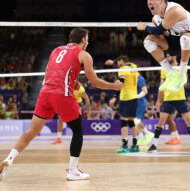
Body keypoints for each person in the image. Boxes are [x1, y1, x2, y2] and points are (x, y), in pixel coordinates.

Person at [0, 28, 123, 181]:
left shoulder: (56, 50)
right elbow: (95, 82)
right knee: (77, 131)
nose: (88, 41)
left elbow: (55, 72)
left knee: (30, 132)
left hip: (45, 93)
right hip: (61, 94)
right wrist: (114, 86)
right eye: (88, 38)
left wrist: (74, 81)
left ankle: (9, 159)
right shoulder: (84, 54)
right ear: (83, 39)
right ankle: (72, 171)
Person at [136, 0, 190, 92]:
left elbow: (158, 30)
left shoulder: (174, 10)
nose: (148, 2)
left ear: (161, 1)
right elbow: (162, 33)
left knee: (185, 38)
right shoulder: (155, 18)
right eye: (147, 0)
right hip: (177, 41)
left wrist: (144, 27)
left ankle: (182, 74)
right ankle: (171, 74)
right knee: (148, 41)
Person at [147, 54, 190, 153]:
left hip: (181, 99)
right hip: (168, 99)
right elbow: (162, 85)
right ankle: (154, 145)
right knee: (161, 122)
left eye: (169, 56)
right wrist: (159, 100)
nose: (167, 58)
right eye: (166, 57)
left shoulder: (182, 68)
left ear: (174, 57)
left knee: (188, 121)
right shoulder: (164, 69)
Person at [107, 55, 140, 153]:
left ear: (121, 61)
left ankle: (124, 146)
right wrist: (113, 62)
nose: (117, 64)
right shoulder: (134, 66)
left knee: (124, 122)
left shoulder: (122, 69)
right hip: (134, 96)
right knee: (131, 121)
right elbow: (127, 63)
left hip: (126, 97)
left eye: (118, 62)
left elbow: (121, 83)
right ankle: (135, 145)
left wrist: (114, 97)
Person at [134, 74, 154, 146]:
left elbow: (145, 91)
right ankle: (143, 137)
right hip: (136, 102)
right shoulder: (133, 78)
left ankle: (146, 134)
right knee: (136, 121)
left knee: (136, 120)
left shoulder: (140, 79)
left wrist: (136, 97)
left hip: (140, 102)